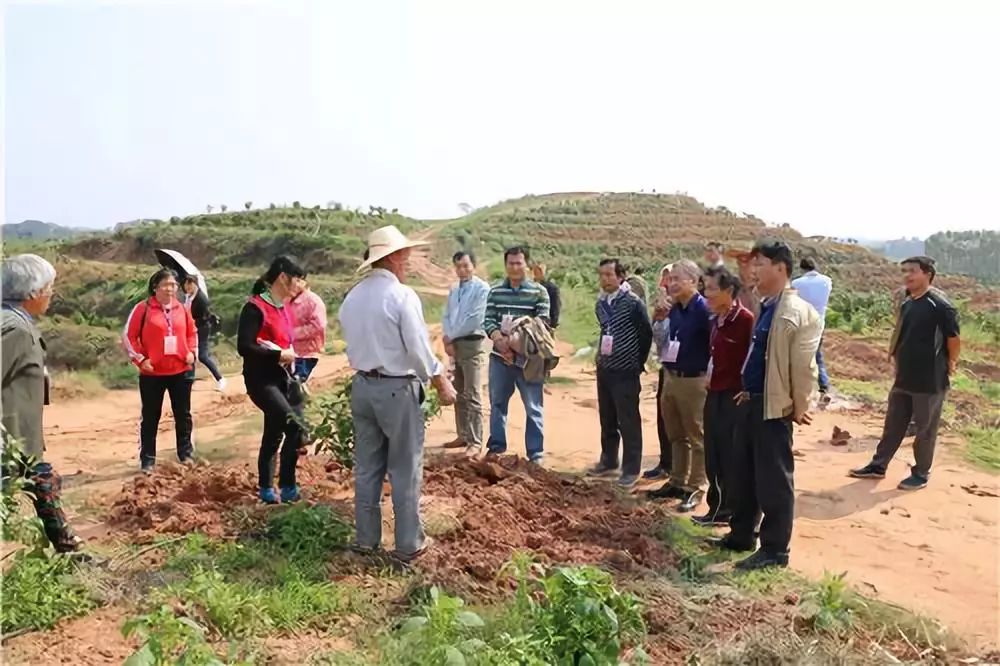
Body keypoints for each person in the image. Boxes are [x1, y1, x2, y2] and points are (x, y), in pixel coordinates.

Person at [338, 226, 457, 561]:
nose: (407, 260)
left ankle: (366, 540)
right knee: (405, 467)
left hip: (362, 387)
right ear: (391, 257)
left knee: (367, 468)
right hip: (396, 389)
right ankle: (408, 544)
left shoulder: (353, 297)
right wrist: (440, 381)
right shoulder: (402, 296)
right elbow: (419, 350)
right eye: (404, 254)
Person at [717, 240, 821, 570]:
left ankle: (776, 550)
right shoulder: (768, 305)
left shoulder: (796, 312)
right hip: (754, 400)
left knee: (773, 480)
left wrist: (800, 405)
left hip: (774, 407)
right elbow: (760, 356)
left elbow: (805, 366)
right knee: (744, 473)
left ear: (781, 267)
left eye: (760, 263)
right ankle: (741, 535)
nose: (754, 270)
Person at [849, 256, 960, 491]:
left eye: (912, 271)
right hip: (904, 377)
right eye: (904, 271)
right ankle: (878, 465)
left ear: (927, 274)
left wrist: (951, 363)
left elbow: (953, 339)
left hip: (930, 380)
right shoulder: (908, 303)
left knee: (925, 430)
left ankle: (921, 473)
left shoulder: (940, 306)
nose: (907, 276)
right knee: (893, 425)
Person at [1, 254, 83, 553]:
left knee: (44, 481)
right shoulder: (15, 329)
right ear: (33, 293)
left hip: (20, 438)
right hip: (10, 440)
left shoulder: (15, 321)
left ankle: (68, 548)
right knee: (39, 481)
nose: (51, 294)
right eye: (49, 288)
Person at [237, 256, 308, 504]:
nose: (300, 285)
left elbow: (286, 343)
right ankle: (285, 485)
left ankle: (270, 487)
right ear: (282, 277)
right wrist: (278, 354)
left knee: (277, 431)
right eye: (297, 279)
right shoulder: (255, 308)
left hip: (286, 379)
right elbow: (244, 346)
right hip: (262, 380)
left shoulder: (283, 308)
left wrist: (293, 365)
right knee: (293, 426)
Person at [648, 260, 712, 513]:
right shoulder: (674, 309)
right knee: (675, 434)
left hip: (694, 380)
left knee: (697, 436)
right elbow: (662, 343)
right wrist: (659, 319)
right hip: (671, 376)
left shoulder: (704, 309)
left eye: (678, 279)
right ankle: (676, 481)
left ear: (694, 282)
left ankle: (696, 486)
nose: (671, 284)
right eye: (670, 279)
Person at [693, 266, 754, 527]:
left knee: (730, 455)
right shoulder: (715, 320)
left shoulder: (745, 320)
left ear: (728, 291)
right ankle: (716, 507)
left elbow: (749, 359)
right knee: (713, 453)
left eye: (711, 289)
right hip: (714, 391)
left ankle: (728, 509)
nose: (706, 294)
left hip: (733, 395)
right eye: (704, 288)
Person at [586, 259, 653, 487]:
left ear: (621, 276)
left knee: (629, 421)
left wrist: (637, 361)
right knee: (607, 418)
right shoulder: (601, 303)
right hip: (605, 368)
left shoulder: (633, 303)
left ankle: (631, 469)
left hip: (626, 370)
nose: (604, 279)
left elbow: (646, 333)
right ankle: (608, 461)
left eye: (609, 275)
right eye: (602, 275)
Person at [124, 268, 198, 473]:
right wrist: (140, 360)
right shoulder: (143, 308)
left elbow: (192, 332)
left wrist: (191, 352)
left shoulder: (182, 309)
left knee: (183, 415)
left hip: (181, 371)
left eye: (174, 285)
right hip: (152, 374)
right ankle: (148, 460)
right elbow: (128, 337)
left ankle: (186, 454)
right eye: (166, 285)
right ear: (155, 287)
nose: (170, 289)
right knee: (150, 416)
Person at [485, 247, 551, 463]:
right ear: (506, 265)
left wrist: (516, 344)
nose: (514, 267)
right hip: (499, 358)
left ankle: (536, 455)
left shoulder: (539, 292)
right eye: (511, 263)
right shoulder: (495, 292)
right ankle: (496, 447)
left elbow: (542, 323)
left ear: (526, 265)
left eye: (518, 263)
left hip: (528, 361)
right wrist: (498, 339)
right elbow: (488, 320)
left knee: (533, 407)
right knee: (497, 404)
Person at [441, 251, 490, 456]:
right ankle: (462, 434)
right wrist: (447, 336)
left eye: (466, 266)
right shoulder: (454, 290)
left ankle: (476, 441)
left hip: (472, 343)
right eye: (458, 266)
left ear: (474, 266)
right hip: (456, 344)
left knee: (473, 393)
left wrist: (450, 336)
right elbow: (447, 315)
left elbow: (474, 319)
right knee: (458, 391)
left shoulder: (482, 289)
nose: (462, 270)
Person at [643, 264, 674, 481]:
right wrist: (659, 317)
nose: (664, 284)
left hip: (688, 371)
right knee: (663, 417)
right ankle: (666, 463)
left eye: (669, 279)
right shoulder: (663, 307)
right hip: (666, 367)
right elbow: (657, 339)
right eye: (662, 279)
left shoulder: (690, 306)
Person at [792, 258, 833, 395]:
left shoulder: (796, 283)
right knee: (817, 356)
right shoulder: (827, 281)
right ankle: (824, 387)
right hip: (819, 324)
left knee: (798, 357)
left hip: (802, 324)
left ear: (802, 268)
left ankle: (802, 389)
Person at [182, 275, 226, 392]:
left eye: (189, 285)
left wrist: (190, 321)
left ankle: (220, 379)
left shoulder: (201, 300)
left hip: (201, 329)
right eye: (186, 285)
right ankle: (189, 380)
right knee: (190, 353)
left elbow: (203, 318)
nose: (186, 288)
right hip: (191, 329)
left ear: (194, 284)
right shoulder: (189, 297)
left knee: (202, 356)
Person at [287, 281, 327, 383]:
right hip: (290, 352)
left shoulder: (313, 301)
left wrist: (294, 333)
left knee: (296, 383)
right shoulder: (288, 300)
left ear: (303, 282)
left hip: (307, 352)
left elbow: (318, 325)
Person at [531, 262, 561, 329]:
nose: (537, 273)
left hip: (546, 324)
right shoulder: (529, 286)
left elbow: (555, 306)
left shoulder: (552, 288)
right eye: (535, 270)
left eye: (540, 270)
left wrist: (553, 323)